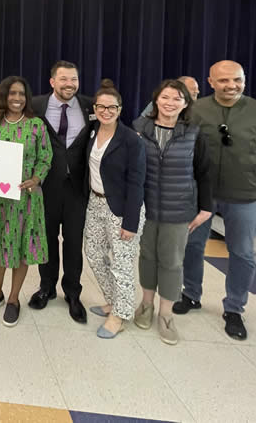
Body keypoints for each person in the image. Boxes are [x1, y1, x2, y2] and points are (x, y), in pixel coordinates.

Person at [173, 60, 256, 341]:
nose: (231, 85)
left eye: (237, 80)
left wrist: (254, 174)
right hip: (202, 194)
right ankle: (191, 294)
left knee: (242, 252)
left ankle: (234, 308)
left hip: (244, 196)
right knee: (192, 245)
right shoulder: (194, 111)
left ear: (244, 80)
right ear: (210, 82)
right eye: (223, 80)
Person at [132, 79, 213, 345]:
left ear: (186, 103)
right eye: (165, 97)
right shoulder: (139, 129)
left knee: (172, 261)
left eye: (177, 99)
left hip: (179, 210)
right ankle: (146, 305)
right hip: (146, 207)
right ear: (156, 100)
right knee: (147, 257)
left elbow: (204, 172)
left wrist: (206, 208)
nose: (170, 103)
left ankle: (166, 314)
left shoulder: (194, 132)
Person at [0, 76, 52, 327]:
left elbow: (45, 158)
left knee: (21, 249)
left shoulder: (36, 125)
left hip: (27, 200)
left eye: (21, 94)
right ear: (3, 96)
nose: (17, 98)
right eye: (12, 94)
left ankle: (12, 299)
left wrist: (36, 178)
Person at [29, 60, 94, 323]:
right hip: (45, 185)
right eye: (64, 79)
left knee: (73, 241)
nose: (70, 84)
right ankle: (46, 287)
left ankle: (73, 292)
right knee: (45, 238)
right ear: (52, 82)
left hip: (78, 186)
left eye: (74, 79)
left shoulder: (90, 106)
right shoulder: (35, 106)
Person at [84, 79, 146, 339]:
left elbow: (137, 182)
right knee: (94, 253)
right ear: (95, 108)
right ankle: (113, 300)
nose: (106, 111)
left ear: (120, 109)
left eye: (112, 107)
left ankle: (120, 314)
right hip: (95, 202)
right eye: (101, 107)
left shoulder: (131, 140)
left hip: (122, 208)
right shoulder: (91, 132)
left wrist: (130, 222)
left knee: (122, 263)